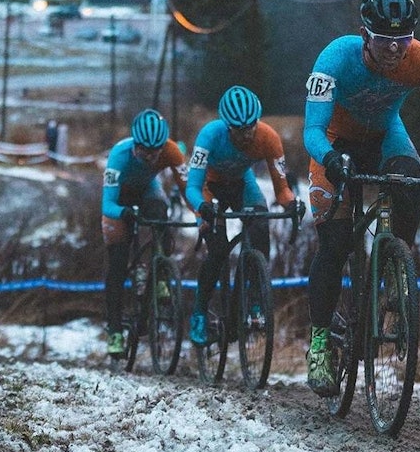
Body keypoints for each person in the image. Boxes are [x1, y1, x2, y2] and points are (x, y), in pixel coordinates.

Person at [302, 0, 420, 396]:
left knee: (408, 178)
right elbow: (312, 130)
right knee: (335, 244)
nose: (395, 49)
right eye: (383, 40)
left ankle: (395, 266)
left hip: (385, 136)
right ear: (364, 35)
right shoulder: (335, 57)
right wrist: (331, 159)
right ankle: (320, 343)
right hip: (334, 144)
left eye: (404, 39)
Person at [185, 85, 298, 347]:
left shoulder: (268, 137)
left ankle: (255, 302)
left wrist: (292, 204)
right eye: (239, 130)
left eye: (251, 127)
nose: (247, 135)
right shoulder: (210, 135)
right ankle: (199, 313)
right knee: (218, 251)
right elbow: (192, 187)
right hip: (209, 187)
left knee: (260, 226)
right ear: (227, 127)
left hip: (241, 184)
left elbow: (282, 189)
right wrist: (202, 208)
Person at [100, 108, 187, 359]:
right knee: (118, 262)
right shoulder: (119, 155)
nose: (149, 157)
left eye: (154, 152)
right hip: (119, 200)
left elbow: (188, 189)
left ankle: (160, 274)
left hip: (148, 190)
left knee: (161, 214)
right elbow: (107, 204)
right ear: (135, 145)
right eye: (143, 152)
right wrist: (123, 212)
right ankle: (115, 330)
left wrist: (202, 213)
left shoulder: (172, 151)